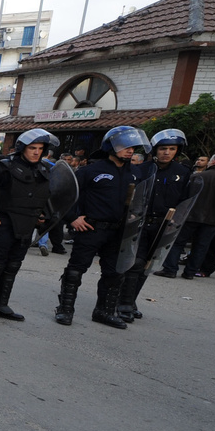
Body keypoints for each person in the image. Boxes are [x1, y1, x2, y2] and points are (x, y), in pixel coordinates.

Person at [55, 125, 148, 328]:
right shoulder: (91, 170)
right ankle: (65, 310)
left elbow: (140, 200)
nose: (130, 150)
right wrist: (72, 218)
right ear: (111, 146)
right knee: (75, 271)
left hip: (119, 231)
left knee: (114, 273)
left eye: (133, 147)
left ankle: (104, 311)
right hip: (91, 228)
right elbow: (65, 195)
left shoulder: (136, 173)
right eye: (125, 146)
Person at [0, 129, 62, 323]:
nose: (36, 152)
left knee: (12, 266)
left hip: (27, 224)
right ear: (22, 148)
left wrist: (43, 214)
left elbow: (42, 196)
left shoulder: (44, 170)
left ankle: (0, 304)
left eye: (40, 148)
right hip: (4, 222)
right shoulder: (2, 168)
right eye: (32, 148)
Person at [117, 129, 192, 318]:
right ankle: (124, 303)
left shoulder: (183, 173)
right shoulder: (142, 169)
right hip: (140, 223)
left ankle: (130, 300)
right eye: (163, 148)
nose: (166, 152)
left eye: (171, 149)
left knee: (147, 266)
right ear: (155, 150)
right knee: (136, 262)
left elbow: (186, 200)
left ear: (177, 151)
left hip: (164, 225)